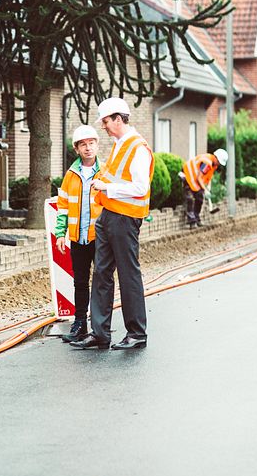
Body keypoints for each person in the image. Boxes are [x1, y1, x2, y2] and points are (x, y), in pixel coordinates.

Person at [70, 97, 154, 350]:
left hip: (125, 218)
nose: (104, 127)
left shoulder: (137, 147)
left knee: (128, 274)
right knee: (102, 272)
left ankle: (137, 333)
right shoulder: (120, 144)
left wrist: (106, 186)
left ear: (118, 118)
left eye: (106, 121)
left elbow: (140, 188)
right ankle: (100, 333)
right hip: (108, 216)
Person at [55, 125, 103, 343]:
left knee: (102, 282)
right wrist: (61, 233)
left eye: (91, 143)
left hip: (99, 238)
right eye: (83, 144)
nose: (88, 148)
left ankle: (100, 326)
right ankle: (80, 323)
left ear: (97, 145)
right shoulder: (71, 175)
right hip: (78, 238)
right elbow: (63, 205)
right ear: (76, 149)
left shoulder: (106, 172)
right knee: (80, 282)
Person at [179, 149, 227, 228]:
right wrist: (204, 189)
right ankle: (192, 221)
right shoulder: (206, 163)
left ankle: (197, 218)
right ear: (216, 157)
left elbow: (208, 176)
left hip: (194, 178)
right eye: (219, 161)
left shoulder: (214, 164)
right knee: (190, 198)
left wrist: (208, 187)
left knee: (200, 197)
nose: (219, 164)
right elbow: (199, 178)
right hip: (187, 175)